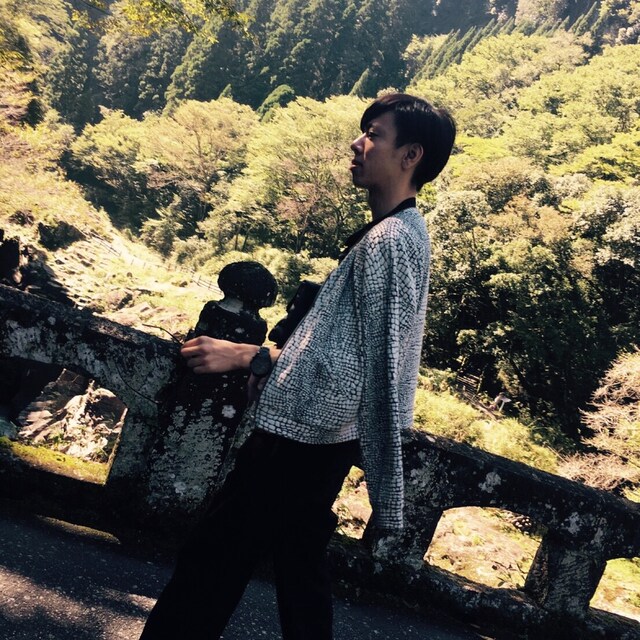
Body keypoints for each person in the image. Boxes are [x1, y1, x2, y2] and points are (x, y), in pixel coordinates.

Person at [139, 92, 456, 640]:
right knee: (295, 574)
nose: (357, 144)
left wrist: (255, 356)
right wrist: (264, 360)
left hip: (300, 444)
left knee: (210, 567)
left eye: (374, 134)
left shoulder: (392, 241)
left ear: (411, 156)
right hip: (315, 442)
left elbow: (380, 367)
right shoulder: (396, 233)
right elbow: (345, 350)